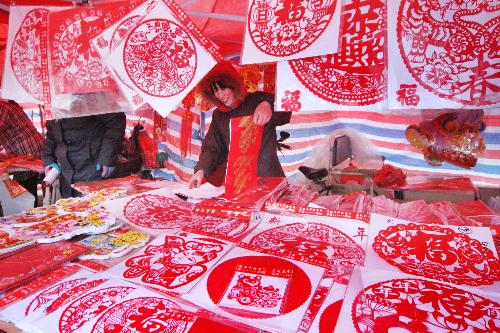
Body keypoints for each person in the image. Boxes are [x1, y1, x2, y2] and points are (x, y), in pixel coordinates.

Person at [188, 61, 292, 188]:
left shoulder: (257, 99)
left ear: (233, 84)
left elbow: (286, 112)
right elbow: (212, 148)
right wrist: (201, 170)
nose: (220, 95)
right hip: (239, 183)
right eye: (215, 91)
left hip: (268, 176)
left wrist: (268, 105)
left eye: (223, 88)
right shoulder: (218, 115)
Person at [42, 112, 126, 197]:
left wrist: (107, 157)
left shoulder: (94, 99)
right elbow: (50, 135)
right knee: (71, 206)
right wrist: (48, 159)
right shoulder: (53, 103)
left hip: (94, 168)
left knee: (95, 205)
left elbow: (115, 121)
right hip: (66, 173)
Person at [0, 99, 45, 196]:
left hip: (29, 150)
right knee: (23, 185)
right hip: (21, 152)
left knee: (27, 186)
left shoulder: (2, 107)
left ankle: (31, 209)